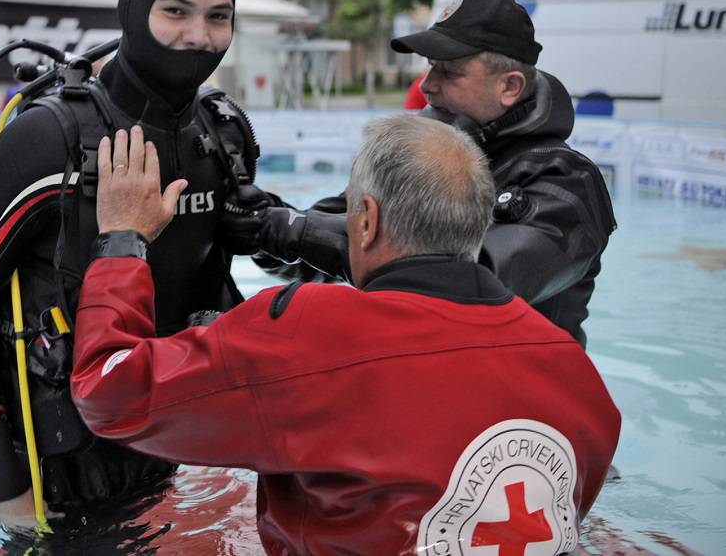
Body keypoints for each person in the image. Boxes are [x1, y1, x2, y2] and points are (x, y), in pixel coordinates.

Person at [72, 117, 621, 556]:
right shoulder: (575, 372)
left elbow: (107, 392)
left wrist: (122, 237)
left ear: (366, 220)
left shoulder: (307, 333)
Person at [0, 0, 258, 527]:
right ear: (131, 11)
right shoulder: (48, 139)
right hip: (53, 473)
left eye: (219, 17)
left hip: (165, 449)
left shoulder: (222, 134)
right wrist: (4, 494)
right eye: (175, 11)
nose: (198, 36)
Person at [225, 0, 616, 347]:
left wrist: (294, 230)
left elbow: (474, 281)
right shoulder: (415, 154)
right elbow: (328, 250)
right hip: (425, 387)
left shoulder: (568, 185)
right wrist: (260, 225)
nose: (427, 85)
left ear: (510, 87)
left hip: (523, 412)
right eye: (430, 67)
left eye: (449, 71)